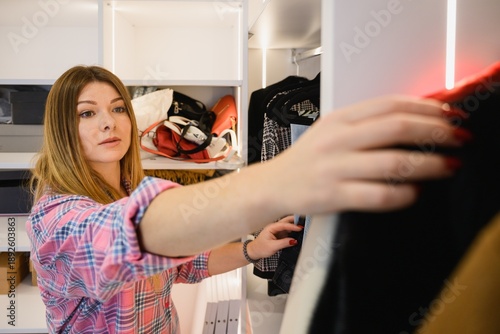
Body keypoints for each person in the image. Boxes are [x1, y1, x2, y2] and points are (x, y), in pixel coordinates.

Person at [26, 65, 468, 334]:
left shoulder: (123, 188)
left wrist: (251, 249)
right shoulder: (55, 221)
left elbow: (182, 265)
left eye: (118, 108)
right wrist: (282, 178)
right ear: (63, 128)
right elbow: (135, 231)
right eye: (87, 112)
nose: (109, 122)